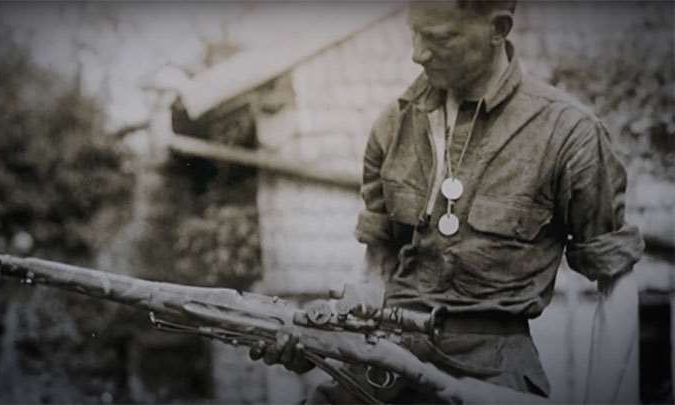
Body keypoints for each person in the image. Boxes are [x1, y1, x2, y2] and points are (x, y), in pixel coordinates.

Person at [252, 1, 644, 403]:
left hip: (491, 378)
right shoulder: (393, 124)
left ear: (498, 28)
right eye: (414, 33)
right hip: (382, 369)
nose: (417, 53)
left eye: (438, 38)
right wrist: (321, 335)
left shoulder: (568, 134)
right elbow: (377, 270)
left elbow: (616, 280)